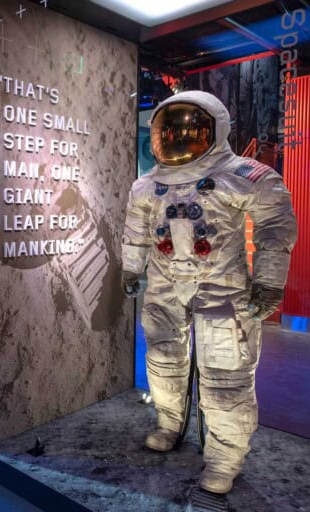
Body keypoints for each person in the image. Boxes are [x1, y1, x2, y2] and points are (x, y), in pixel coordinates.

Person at [121, 90, 297, 494]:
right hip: (165, 283)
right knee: (164, 360)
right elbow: (135, 230)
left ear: (214, 130)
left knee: (225, 374)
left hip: (222, 286)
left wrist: (269, 280)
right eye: (170, 130)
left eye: (190, 129)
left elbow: (274, 226)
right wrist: (131, 268)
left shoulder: (242, 175)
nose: (179, 138)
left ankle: (224, 457)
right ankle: (169, 424)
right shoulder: (147, 185)